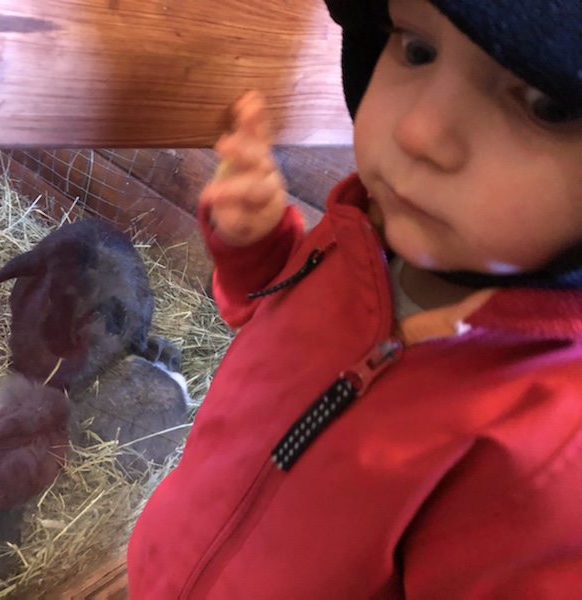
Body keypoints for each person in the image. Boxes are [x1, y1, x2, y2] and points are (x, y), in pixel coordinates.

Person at [128, 0, 582, 596]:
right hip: (166, 563)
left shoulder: (552, 455)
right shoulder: (361, 234)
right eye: (417, 49)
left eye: (545, 105)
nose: (419, 132)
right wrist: (256, 247)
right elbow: (270, 318)